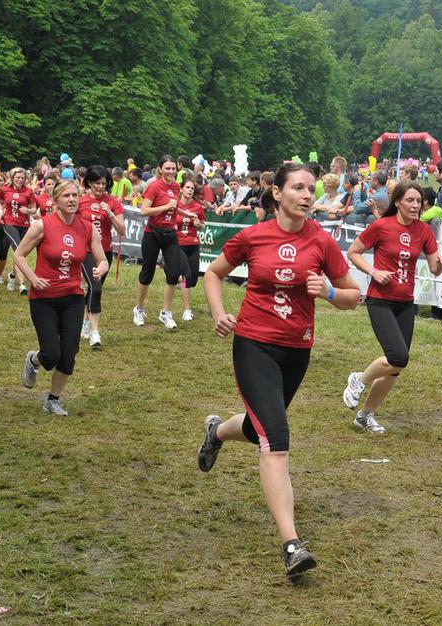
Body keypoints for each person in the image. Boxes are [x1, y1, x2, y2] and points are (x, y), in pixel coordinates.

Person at [196, 163, 361, 576]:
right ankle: (292, 544)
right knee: (276, 438)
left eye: (311, 189)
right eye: (298, 188)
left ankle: (217, 431)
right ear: (277, 194)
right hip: (253, 344)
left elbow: (353, 296)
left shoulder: (321, 241)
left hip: (296, 350)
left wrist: (330, 291)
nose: (307, 195)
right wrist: (218, 312)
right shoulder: (253, 236)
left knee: (258, 431)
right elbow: (213, 274)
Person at [344, 180, 442, 434]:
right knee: (398, 357)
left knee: (396, 369)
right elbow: (354, 252)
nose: (415, 205)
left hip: (405, 303)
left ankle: (365, 416)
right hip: (380, 301)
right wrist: (374, 271)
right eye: (410, 200)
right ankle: (359, 379)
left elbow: (434, 269)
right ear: (398, 202)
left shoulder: (423, 230)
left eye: (419, 201)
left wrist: (441, 262)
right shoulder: (382, 225)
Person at [14, 180, 109, 416]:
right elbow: (19, 255)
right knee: (51, 355)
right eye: (66, 195)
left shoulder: (87, 228)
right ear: (55, 200)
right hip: (43, 298)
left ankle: (53, 400)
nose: (72, 199)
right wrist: (33, 278)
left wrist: (100, 269)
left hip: (73, 297)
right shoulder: (42, 225)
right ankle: (34, 360)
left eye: (75, 195)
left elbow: (103, 259)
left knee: (69, 353)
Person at [133, 155, 184, 329]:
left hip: (170, 233)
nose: (171, 171)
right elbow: (143, 211)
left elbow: (175, 207)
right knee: (148, 272)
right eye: (167, 168)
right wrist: (166, 207)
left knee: (174, 272)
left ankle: (165, 312)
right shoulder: (154, 186)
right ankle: (139, 309)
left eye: (173, 168)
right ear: (160, 169)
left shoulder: (176, 186)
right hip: (153, 233)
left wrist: (187, 214)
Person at [77, 165, 126, 348]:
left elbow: (122, 230)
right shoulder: (80, 202)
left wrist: (110, 214)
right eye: (97, 183)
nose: (100, 187)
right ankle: (95, 332)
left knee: (93, 289)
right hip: (86, 251)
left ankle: (84, 322)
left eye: (103, 184)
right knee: (95, 288)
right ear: (89, 183)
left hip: (105, 252)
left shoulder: (113, 202)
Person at [171, 177, 205, 322]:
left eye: (192, 188)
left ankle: (180, 280)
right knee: (187, 276)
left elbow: (203, 224)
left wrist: (199, 225)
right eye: (188, 187)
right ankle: (187, 310)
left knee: (193, 279)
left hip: (193, 244)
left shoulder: (197, 207)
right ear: (181, 189)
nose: (190, 190)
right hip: (178, 244)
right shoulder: (175, 205)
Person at [0, 167, 38, 295]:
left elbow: (34, 209)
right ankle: (22, 284)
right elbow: (0, 201)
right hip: (9, 223)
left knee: (21, 254)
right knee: (18, 250)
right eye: (17, 177)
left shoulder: (28, 191)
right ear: (12, 178)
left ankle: (12, 275)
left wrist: (28, 211)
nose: (20, 180)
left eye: (22, 178)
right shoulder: (5, 189)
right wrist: (0, 210)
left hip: (24, 225)